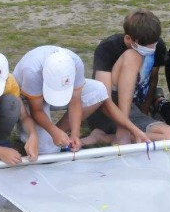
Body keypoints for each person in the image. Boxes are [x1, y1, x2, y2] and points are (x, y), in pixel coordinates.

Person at [12, 45, 150, 154]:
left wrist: (75, 134)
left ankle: (61, 136)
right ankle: (47, 136)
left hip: (46, 95)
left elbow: (75, 102)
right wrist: (52, 131)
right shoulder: (31, 71)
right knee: (48, 151)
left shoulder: (75, 62)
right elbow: (36, 110)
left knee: (99, 90)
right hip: (29, 99)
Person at [84, 9, 170, 145]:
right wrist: (125, 127)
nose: (151, 48)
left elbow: (152, 80)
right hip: (108, 110)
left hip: (133, 109)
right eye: (145, 45)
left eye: (153, 44)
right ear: (128, 38)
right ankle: (121, 132)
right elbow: (103, 99)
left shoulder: (156, 45)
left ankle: (104, 137)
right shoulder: (108, 48)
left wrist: (144, 111)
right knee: (132, 56)